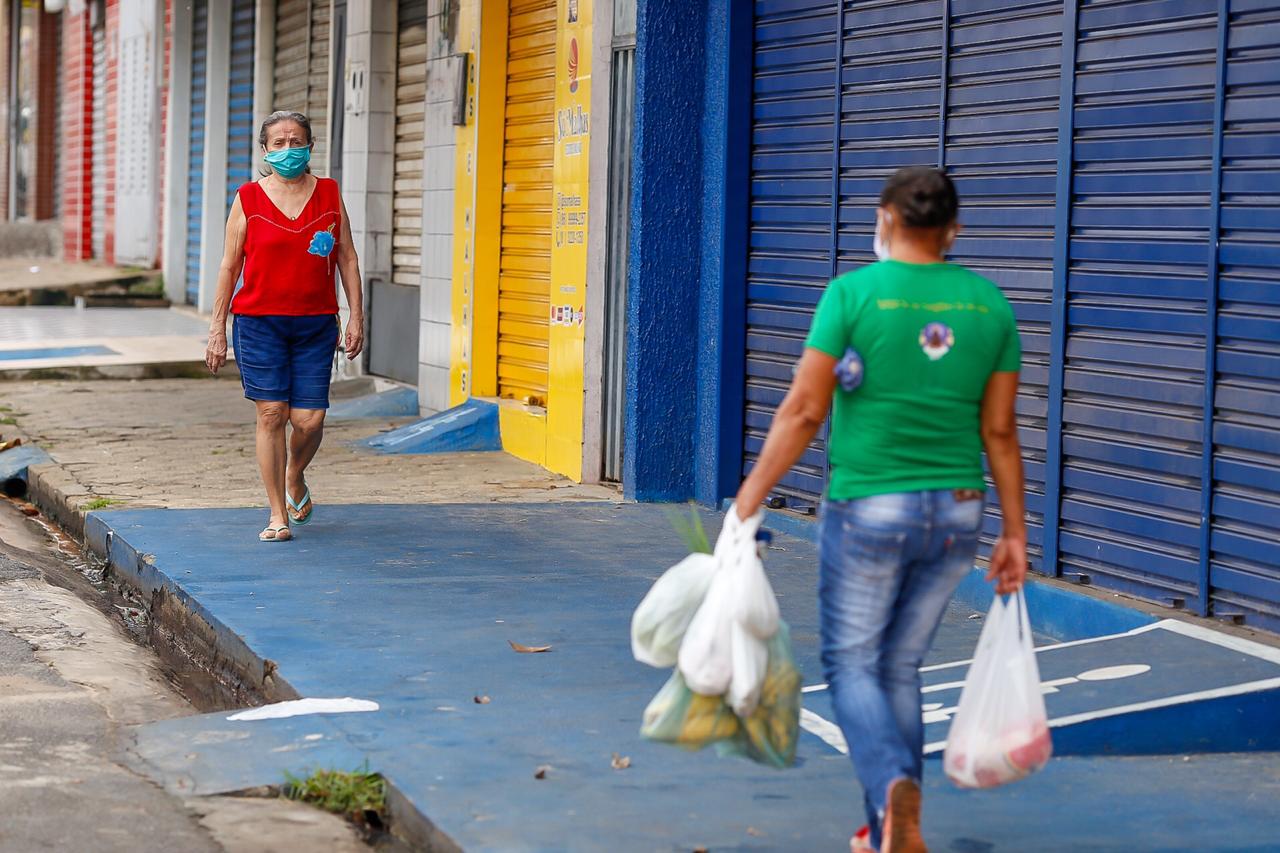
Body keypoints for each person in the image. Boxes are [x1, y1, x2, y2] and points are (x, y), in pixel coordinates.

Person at [732, 167, 1027, 853]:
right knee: (899, 665)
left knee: (853, 663)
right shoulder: (991, 306)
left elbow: (805, 408)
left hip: (870, 506)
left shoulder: (852, 294)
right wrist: (1014, 533)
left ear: (886, 219)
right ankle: (886, 826)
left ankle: (894, 785)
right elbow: (1002, 432)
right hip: (958, 509)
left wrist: (749, 498)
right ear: (953, 229)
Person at [205, 110, 365, 543]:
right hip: (259, 324)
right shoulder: (247, 199)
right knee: (272, 413)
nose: (288, 150)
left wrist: (356, 316)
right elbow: (228, 265)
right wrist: (217, 327)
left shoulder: (330, 195)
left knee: (310, 420)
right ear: (265, 151)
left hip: (315, 324)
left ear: (310, 148)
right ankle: (278, 514)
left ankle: (295, 474)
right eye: (279, 143)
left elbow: (347, 258)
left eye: (297, 142)